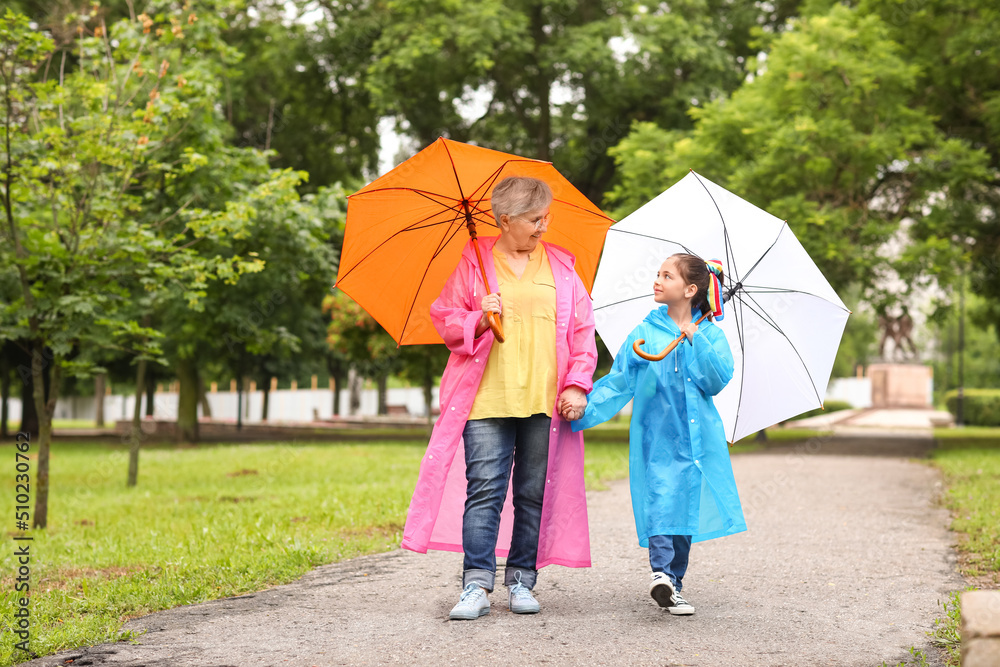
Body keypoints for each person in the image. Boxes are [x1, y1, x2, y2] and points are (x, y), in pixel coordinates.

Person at [400, 176, 598, 621]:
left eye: (546, 217)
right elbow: (444, 319)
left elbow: (583, 334)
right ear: (505, 220)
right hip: (486, 400)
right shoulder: (473, 261)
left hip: (544, 403)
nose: (544, 226)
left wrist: (576, 383)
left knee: (531, 493)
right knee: (485, 491)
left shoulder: (562, 266)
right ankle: (475, 584)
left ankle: (522, 581)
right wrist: (478, 318)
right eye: (534, 219)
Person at [565, 254, 746, 616]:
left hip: (697, 441)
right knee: (661, 498)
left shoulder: (711, 333)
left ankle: (674, 584)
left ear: (691, 290)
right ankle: (661, 573)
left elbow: (716, 380)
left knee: (685, 510)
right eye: (657, 274)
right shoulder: (645, 332)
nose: (657, 281)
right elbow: (620, 381)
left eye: (667, 276)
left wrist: (698, 340)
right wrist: (585, 405)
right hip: (657, 437)